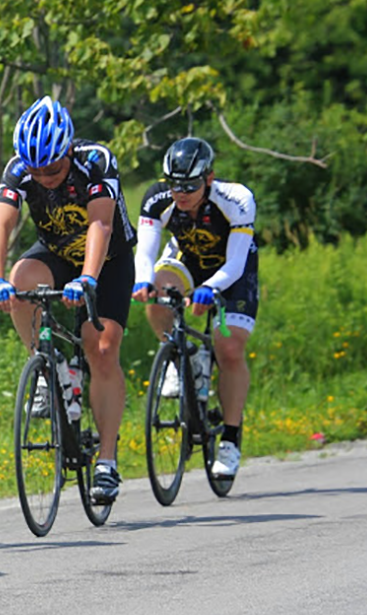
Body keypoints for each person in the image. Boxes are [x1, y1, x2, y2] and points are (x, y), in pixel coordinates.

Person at [0, 96, 136, 504]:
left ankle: (106, 461)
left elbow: (101, 223)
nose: (44, 177)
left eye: (52, 168)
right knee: (20, 282)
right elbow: (0, 223)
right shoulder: (21, 169)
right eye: (36, 169)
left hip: (107, 259)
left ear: (67, 150)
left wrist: (88, 278)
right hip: (55, 252)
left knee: (101, 348)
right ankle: (51, 368)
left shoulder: (96, 161)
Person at [133, 137, 258, 479]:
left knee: (230, 349)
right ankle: (179, 355)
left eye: (190, 185)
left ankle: (230, 441)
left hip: (231, 270)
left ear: (209, 178)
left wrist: (209, 288)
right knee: (158, 291)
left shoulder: (236, 199)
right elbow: (145, 252)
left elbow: (234, 262)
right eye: (175, 185)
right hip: (186, 260)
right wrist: (142, 280)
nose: (182, 193)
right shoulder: (157, 198)